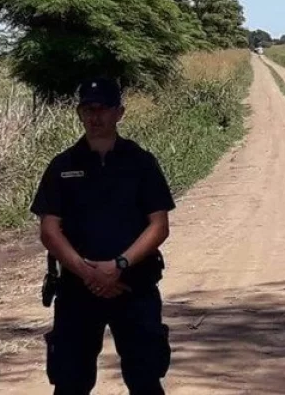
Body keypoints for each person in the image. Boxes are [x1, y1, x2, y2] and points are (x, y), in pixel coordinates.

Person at [30, 76, 176, 395]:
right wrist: (88, 272)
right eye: (87, 109)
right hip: (77, 291)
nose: (95, 117)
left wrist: (119, 265)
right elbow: (49, 231)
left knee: (145, 379)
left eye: (103, 109)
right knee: (70, 382)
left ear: (119, 113)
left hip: (133, 287)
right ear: (80, 114)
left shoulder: (141, 163)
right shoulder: (62, 166)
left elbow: (159, 225)